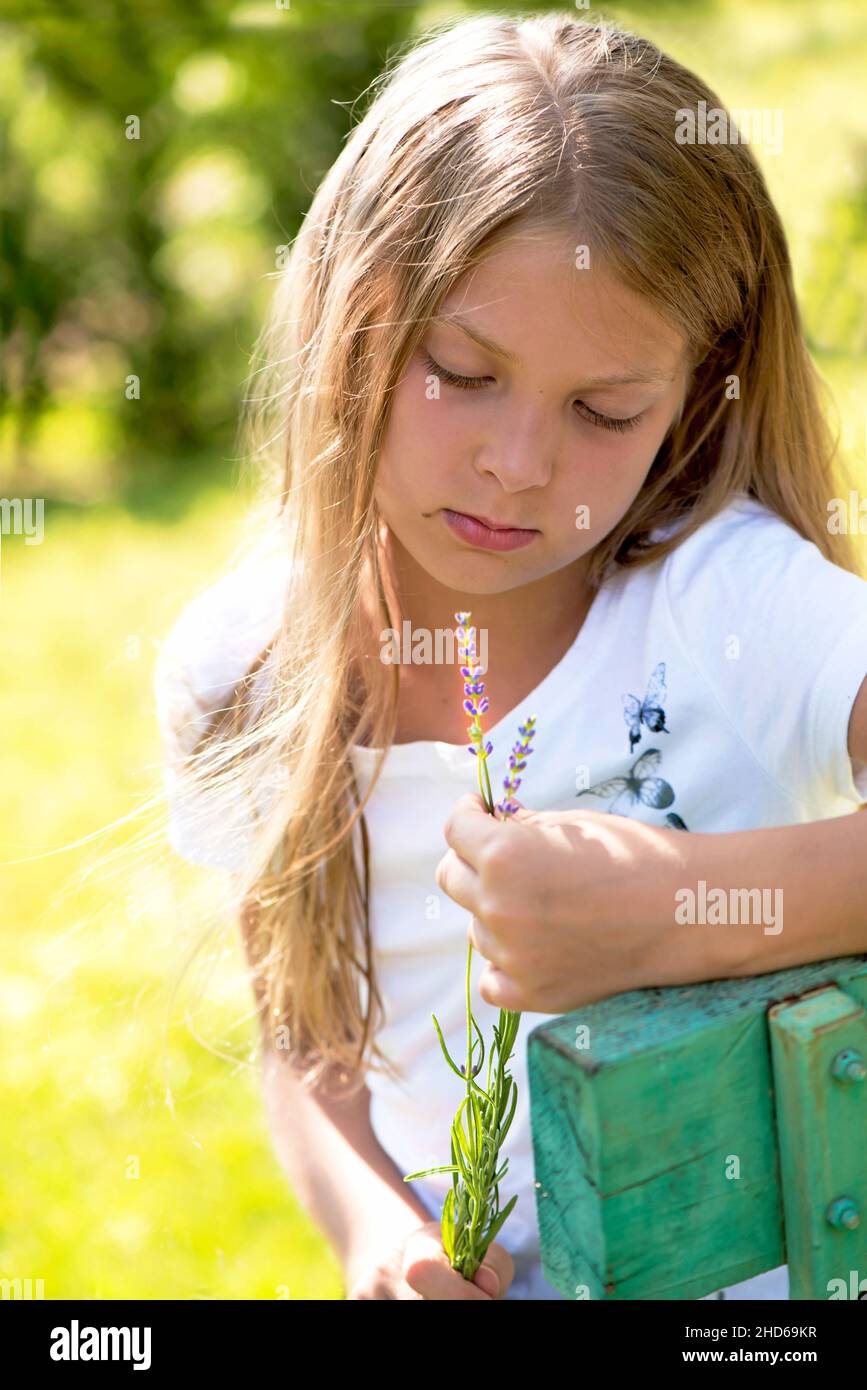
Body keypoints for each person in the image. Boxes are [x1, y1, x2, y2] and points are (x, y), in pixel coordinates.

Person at [154, 13, 867, 1301]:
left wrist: (677, 912)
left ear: (698, 389)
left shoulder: (731, 600)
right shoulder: (242, 671)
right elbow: (304, 1045)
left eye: (606, 411)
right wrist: (380, 1237)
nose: (520, 464)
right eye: (463, 371)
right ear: (353, 319)